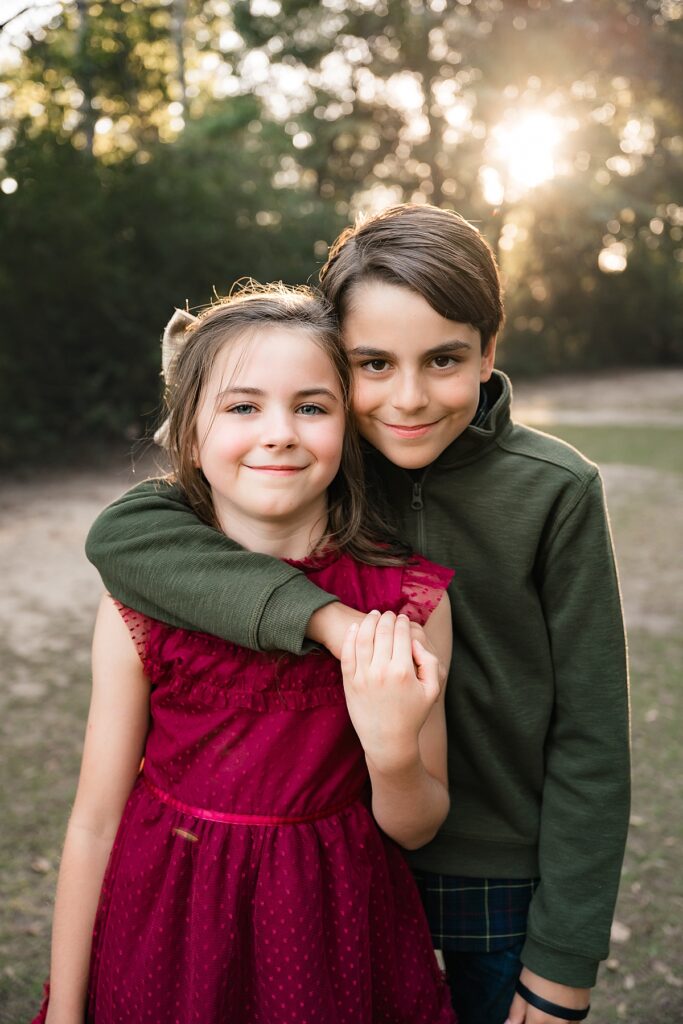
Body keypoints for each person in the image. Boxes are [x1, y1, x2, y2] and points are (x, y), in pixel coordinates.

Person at [85, 205, 631, 1024]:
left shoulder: (553, 489)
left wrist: (563, 966)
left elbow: (592, 737)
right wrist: (332, 623)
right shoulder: (320, 456)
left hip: (501, 875)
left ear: (487, 354)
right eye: (372, 364)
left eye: (444, 359)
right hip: (343, 869)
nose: (406, 398)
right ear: (338, 367)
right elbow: (126, 533)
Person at [34, 285, 458, 1024]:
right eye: (242, 406)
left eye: (311, 406)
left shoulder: (405, 604)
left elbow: (417, 824)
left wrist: (391, 752)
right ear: (189, 434)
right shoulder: (141, 598)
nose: (279, 432)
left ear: (347, 428)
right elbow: (94, 819)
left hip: (335, 927)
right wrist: (66, 1010)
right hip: (166, 920)